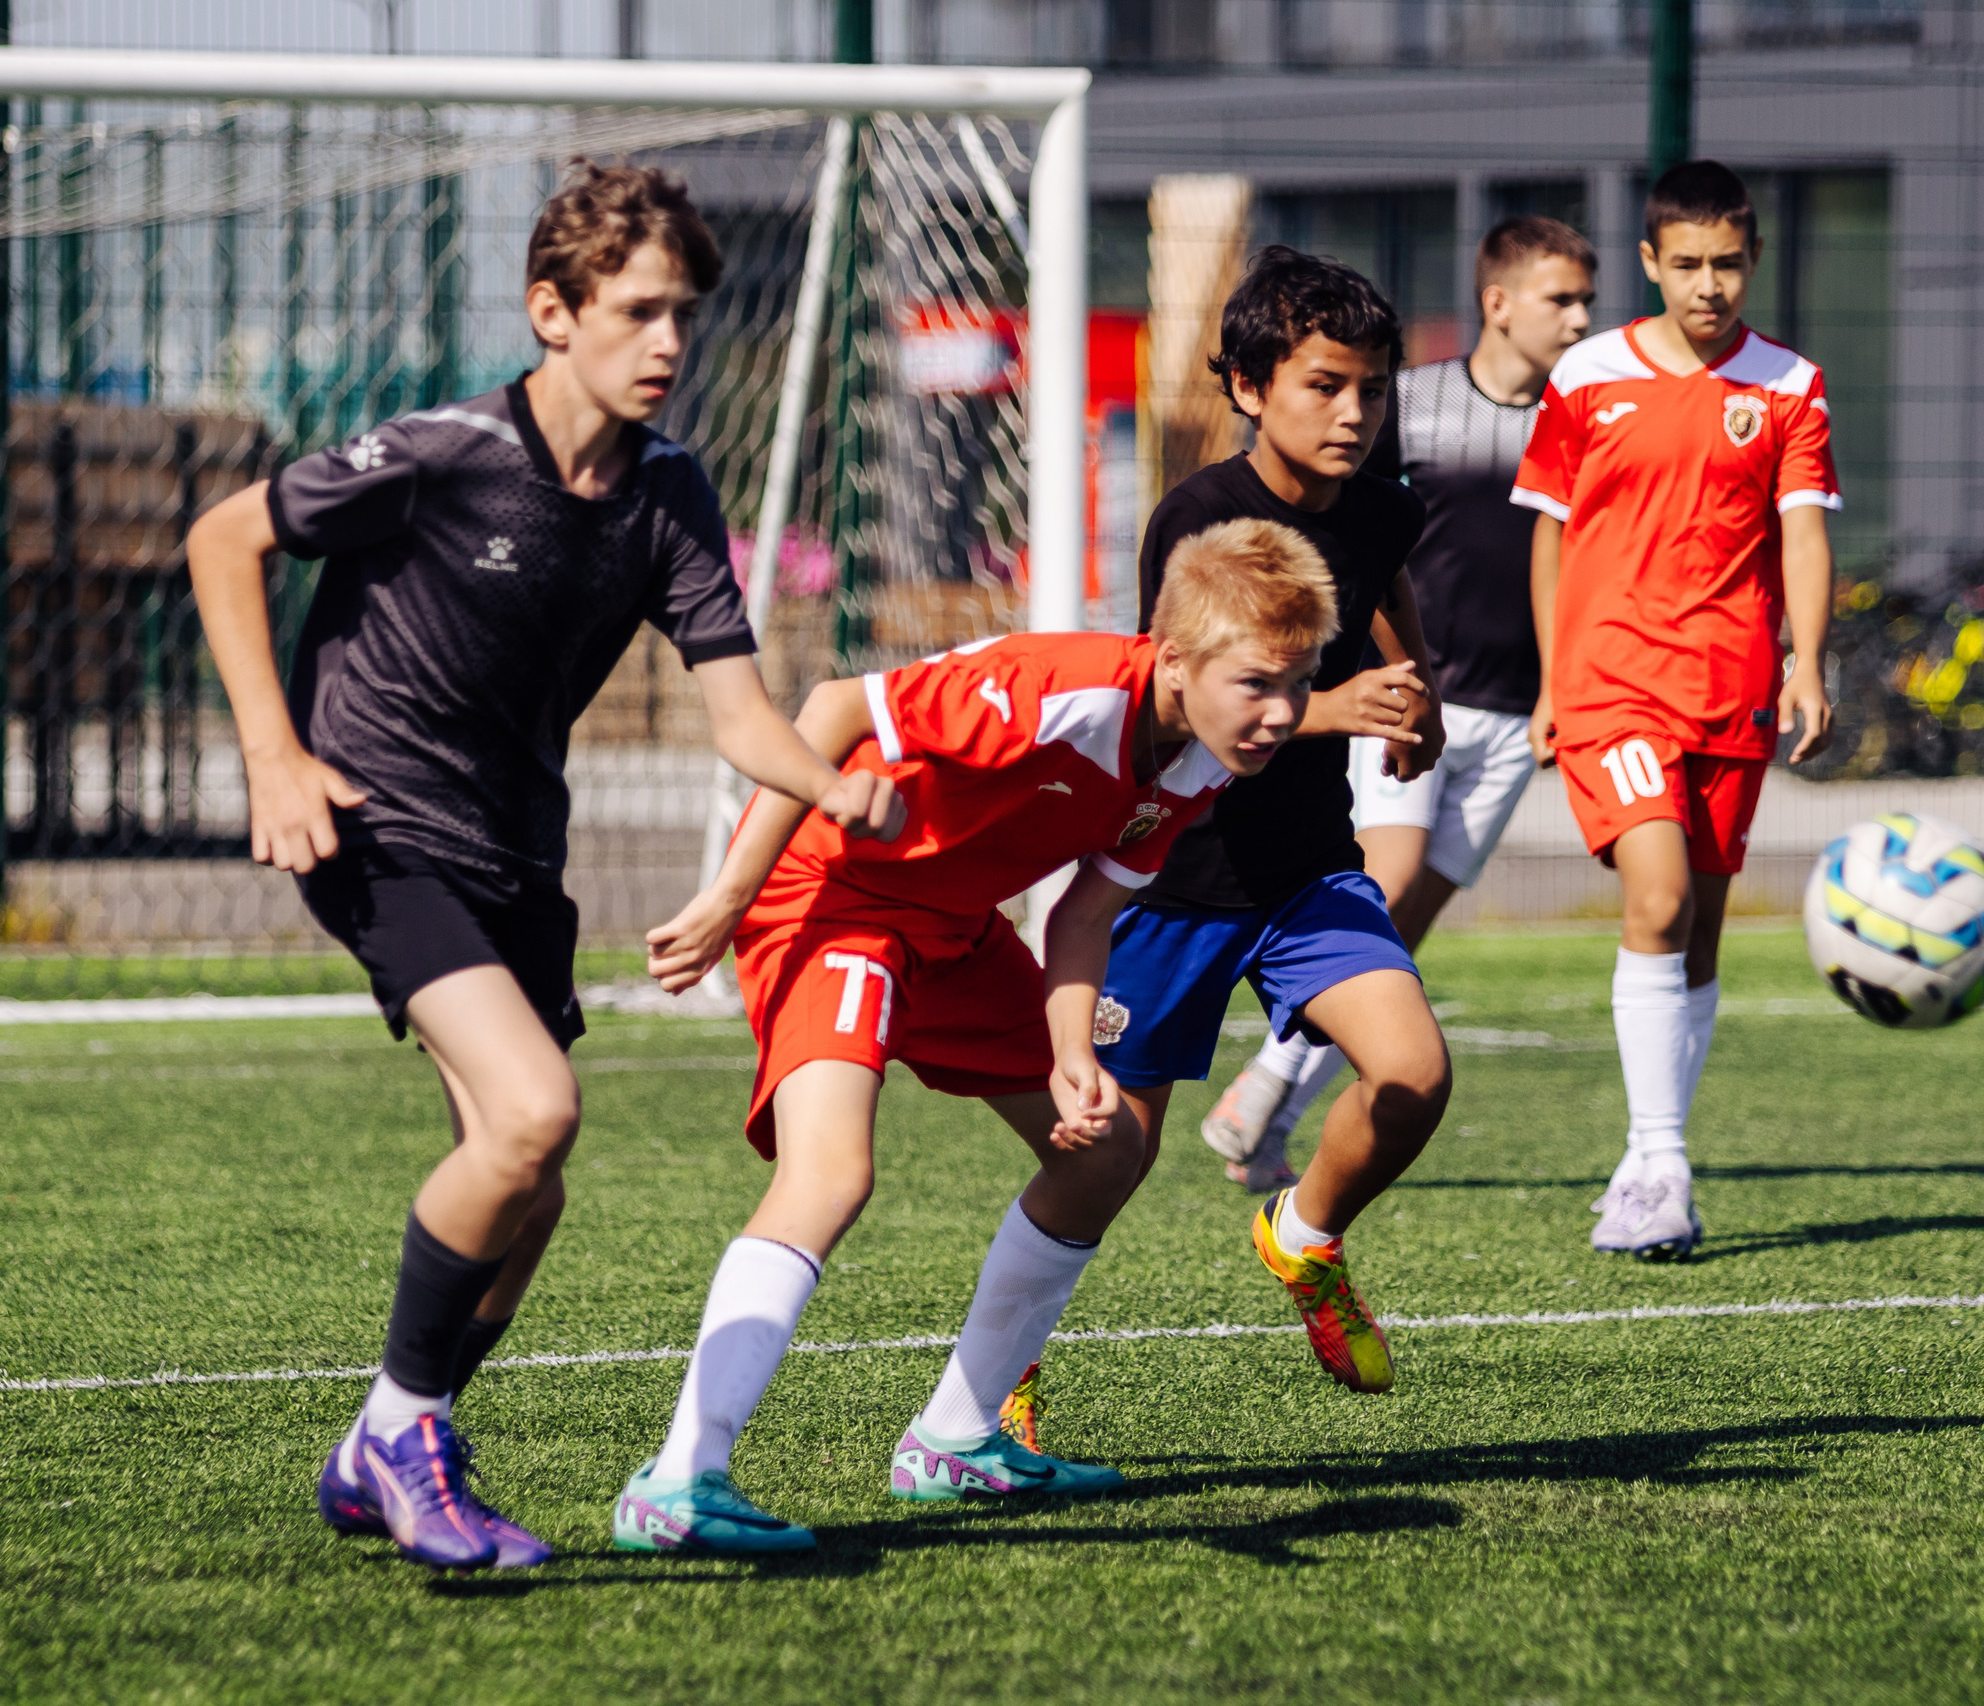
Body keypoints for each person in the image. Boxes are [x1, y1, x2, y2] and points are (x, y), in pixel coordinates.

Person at [186, 163, 901, 1572]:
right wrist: (272, 753)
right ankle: (401, 1430)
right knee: (530, 1112)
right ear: (551, 313)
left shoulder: (671, 496)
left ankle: (384, 1441)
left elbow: (744, 714)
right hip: (374, 823)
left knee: (531, 1183)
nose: (669, 345)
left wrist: (837, 788)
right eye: (638, 312)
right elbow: (226, 535)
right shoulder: (445, 451)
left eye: (683, 315)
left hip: (515, 854)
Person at [610, 519, 1340, 1554]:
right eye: (1259, 682)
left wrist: (1072, 1050)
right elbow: (832, 710)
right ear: (1175, 658)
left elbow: (1083, 914)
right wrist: (729, 894)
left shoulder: (1199, 763)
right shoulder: (1060, 691)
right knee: (830, 1175)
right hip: (834, 900)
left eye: (1301, 684)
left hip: (955, 933)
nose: (1280, 714)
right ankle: (679, 1477)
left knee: (1107, 1150)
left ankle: (956, 1438)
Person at [1005, 248, 1451, 1424]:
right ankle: (998, 1373)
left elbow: (1386, 588)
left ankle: (1303, 1235)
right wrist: (1330, 707)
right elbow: (1182, 699)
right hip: (1173, 872)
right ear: (1252, 387)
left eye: (1369, 386)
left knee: (1412, 1075)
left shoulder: (1382, 503)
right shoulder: (1198, 520)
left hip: (1307, 870)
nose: (1352, 412)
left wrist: (1418, 696)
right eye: (1322, 385)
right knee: (1108, 1155)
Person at [1202, 216, 1598, 1188]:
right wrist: (1395, 683)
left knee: (1405, 923)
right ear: (1497, 301)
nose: (1581, 320)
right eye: (1562, 300)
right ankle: (1261, 1085)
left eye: (1586, 300)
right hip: (1412, 700)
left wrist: (1561, 686)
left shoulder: (1583, 417)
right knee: (1387, 877)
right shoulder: (1403, 407)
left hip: (1514, 709)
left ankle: (1272, 1105)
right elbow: (1367, 555)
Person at [1509, 160, 1838, 1262]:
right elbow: (1550, 533)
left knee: (1695, 932)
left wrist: (1806, 662)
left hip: (1729, 686)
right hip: (1614, 683)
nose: (1710, 286)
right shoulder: (1588, 375)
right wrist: (1555, 679)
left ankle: (1651, 1158)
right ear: (1649, 262)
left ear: (1753, 261)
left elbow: (1801, 530)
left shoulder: (1790, 384)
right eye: (1687, 264)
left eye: (1729, 264)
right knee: (1652, 901)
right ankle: (1661, 1163)